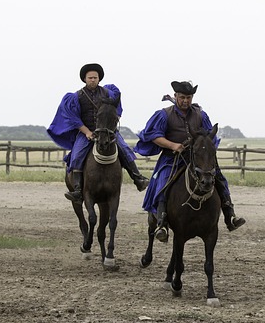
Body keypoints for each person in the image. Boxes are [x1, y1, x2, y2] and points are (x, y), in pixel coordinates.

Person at [135, 80, 246, 242]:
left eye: (188, 97)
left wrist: (206, 151)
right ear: (175, 96)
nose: (185, 101)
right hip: (172, 158)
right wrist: (174, 145)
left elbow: (210, 135)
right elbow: (153, 136)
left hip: (198, 159)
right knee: (162, 183)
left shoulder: (200, 114)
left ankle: (230, 215)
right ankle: (162, 222)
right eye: (182, 97)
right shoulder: (164, 114)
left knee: (219, 178)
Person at [47, 63, 149, 202]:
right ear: (84, 79)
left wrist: (113, 123)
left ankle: (138, 178)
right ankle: (77, 190)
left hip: (108, 131)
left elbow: (116, 108)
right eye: (90, 78)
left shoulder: (109, 93)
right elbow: (73, 118)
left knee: (124, 148)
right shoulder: (76, 97)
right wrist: (87, 132)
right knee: (77, 155)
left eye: (95, 77)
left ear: (99, 79)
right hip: (86, 132)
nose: (93, 80)